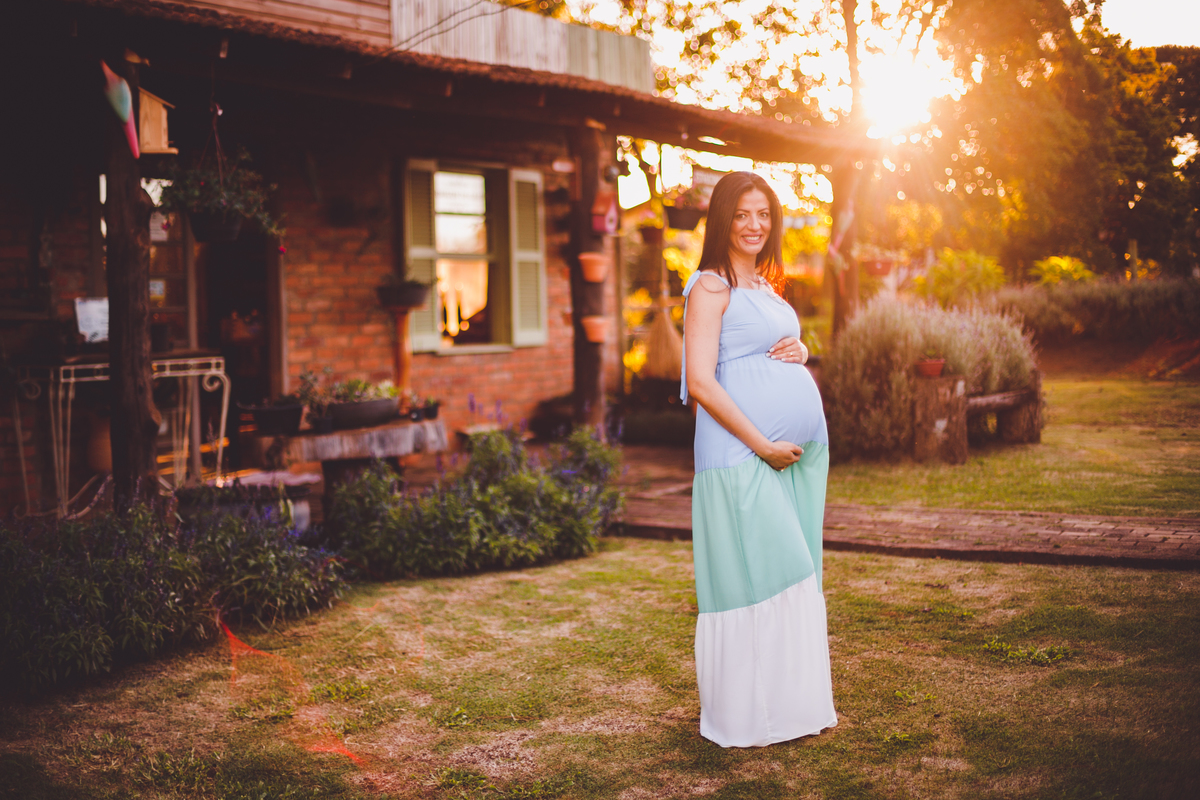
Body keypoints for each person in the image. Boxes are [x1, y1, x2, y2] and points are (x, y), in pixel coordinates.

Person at [681, 171, 837, 747]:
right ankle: (751, 716)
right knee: (767, 574)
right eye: (743, 215)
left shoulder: (765, 286)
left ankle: (794, 707)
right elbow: (700, 379)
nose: (754, 226)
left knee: (799, 576)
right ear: (722, 219)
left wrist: (801, 349)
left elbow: (767, 351)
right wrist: (762, 444)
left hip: (791, 458)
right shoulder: (710, 287)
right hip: (741, 454)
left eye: (764, 215)